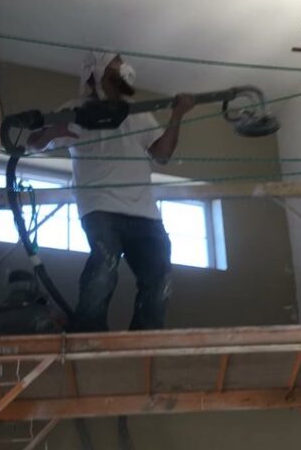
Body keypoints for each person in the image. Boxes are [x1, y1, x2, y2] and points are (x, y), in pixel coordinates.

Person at [27, 51, 194, 331]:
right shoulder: (76, 110)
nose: (123, 67)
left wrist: (177, 115)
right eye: (116, 63)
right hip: (100, 207)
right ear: (97, 73)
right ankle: (88, 333)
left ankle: (145, 339)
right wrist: (53, 131)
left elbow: (162, 154)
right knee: (104, 264)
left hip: (144, 213)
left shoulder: (138, 113)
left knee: (159, 274)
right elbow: (33, 143)